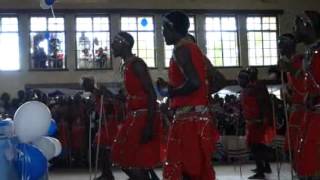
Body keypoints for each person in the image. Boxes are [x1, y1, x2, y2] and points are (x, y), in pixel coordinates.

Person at [157, 11, 219, 180]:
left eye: (164, 29)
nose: (162, 33)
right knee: (194, 170)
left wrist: (170, 91)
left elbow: (194, 82)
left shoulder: (181, 49)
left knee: (187, 170)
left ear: (171, 28)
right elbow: (212, 80)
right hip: (197, 116)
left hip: (189, 120)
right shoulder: (193, 49)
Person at [110, 32, 161, 180]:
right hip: (134, 117)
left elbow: (151, 93)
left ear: (124, 44)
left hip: (143, 118)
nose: (112, 45)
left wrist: (149, 125)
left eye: (115, 42)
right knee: (130, 160)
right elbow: (129, 97)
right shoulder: (126, 66)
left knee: (128, 159)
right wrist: (106, 94)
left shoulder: (136, 64)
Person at [293, 11, 320, 179]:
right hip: (311, 113)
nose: (294, 30)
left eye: (297, 26)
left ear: (307, 26)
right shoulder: (311, 53)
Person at [238, 68, 274, 179]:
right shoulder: (249, 89)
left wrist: (263, 118)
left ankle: (260, 171)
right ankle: (265, 167)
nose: (238, 82)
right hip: (254, 122)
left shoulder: (253, 89)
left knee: (255, 147)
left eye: (240, 79)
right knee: (259, 145)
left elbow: (262, 103)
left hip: (257, 123)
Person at [81, 77, 118, 180]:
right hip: (103, 123)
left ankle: (107, 174)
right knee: (99, 148)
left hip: (109, 123)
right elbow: (94, 108)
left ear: (90, 84)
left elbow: (111, 103)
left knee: (100, 147)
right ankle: (107, 173)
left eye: (84, 84)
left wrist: (105, 113)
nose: (83, 87)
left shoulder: (100, 92)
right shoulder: (93, 95)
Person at [278, 33, 305, 166]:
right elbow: (293, 89)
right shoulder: (288, 65)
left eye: (281, 44)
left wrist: (289, 68)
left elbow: (306, 82)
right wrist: (286, 96)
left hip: (305, 111)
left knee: (300, 148)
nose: (279, 47)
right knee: (290, 149)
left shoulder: (301, 60)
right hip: (295, 110)